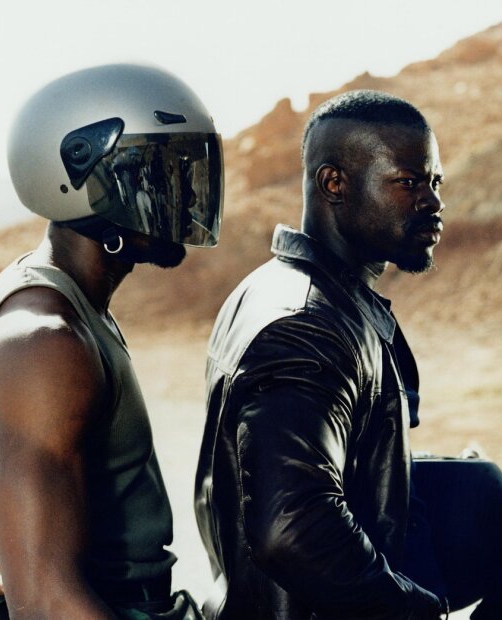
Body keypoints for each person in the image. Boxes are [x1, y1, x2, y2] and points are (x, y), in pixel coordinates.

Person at [0, 63, 224, 618]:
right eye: (159, 174)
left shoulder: (71, 305)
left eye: (186, 171)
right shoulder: (45, 343)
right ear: (80, 177)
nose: (185, 195)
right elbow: (45, 601)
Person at [195, 90, 448, 619]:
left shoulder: (286, 289)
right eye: (409, 182)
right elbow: (293, 525)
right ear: (334, 183)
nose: (432, 202)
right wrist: (412, 609)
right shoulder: (306, 325)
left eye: (435, 182)